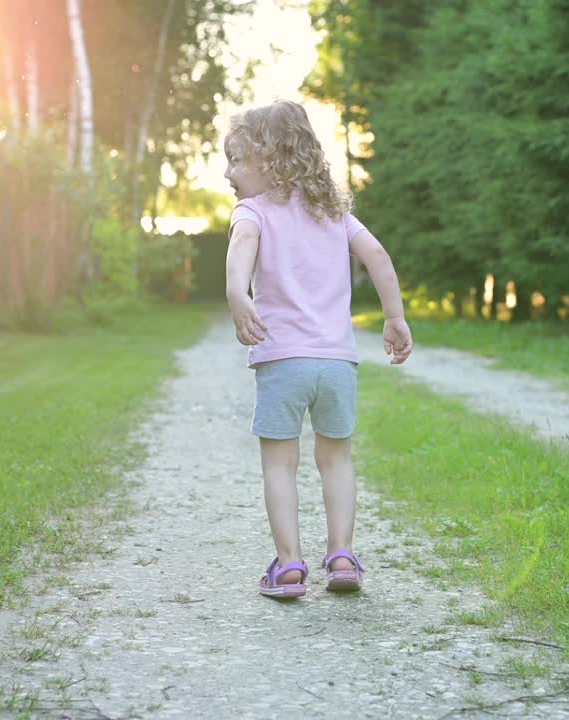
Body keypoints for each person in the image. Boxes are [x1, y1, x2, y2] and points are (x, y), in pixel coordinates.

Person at [223, 99, 413, 599]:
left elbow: (241, 245)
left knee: (279, 464)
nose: (229, 172)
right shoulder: (335, 214)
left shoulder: (253, 212)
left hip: (283, 359)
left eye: (237, 159)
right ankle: (342, 556)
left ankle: (288, 565)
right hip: (336, 363)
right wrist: (394, 316)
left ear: (269, 159)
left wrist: (237, 293)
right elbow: (378, 255)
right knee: (337, 460)